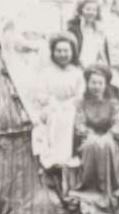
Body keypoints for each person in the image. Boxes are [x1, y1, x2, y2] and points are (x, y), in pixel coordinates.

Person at [29, 33, 85, 174]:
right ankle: (52, 161)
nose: (62, 54)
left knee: (68, 117)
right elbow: (40, 93)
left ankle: (66, 159)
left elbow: (81, 95)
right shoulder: (46, 72)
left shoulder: (77, 73)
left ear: (72, 52)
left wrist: (69, 103)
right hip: (50, 107)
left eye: (66, 51)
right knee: (51, 118)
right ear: (53, 52)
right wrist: (51, 101)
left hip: (71, 108)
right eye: (58, 51)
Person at [74, 65, 119, 196]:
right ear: (88, 84)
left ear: (105, 85)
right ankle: (91, 185)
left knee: (106, 145)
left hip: (109, 137)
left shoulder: (112, 103)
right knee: (92, 144)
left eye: (100, 83)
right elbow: (79, 123)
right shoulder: (82, 102)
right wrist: (88, 133)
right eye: (93, 82)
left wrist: (110, 134)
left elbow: (117, 122)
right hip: (88, 137)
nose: (96, 86)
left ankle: (108, 186)